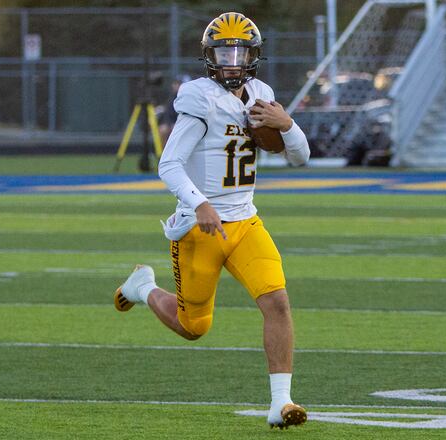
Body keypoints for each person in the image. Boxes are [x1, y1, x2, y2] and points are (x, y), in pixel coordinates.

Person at [113, 12, 310, 429]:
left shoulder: (260, 93)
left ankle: (281, 403)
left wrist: (288, 124)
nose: (232, 60)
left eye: (239, 50)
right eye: (224, 51)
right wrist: (201, 204)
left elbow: (300, 156)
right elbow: (169, 164)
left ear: (253, 55)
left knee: (276, 302)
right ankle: (143, 286)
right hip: (200, 226)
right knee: (193, 327)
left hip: (245, 221)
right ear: (210, 56)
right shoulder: (198, 96)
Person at [157, 74, 191, 145]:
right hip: (173, 124)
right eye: (175, 83)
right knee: (163, 129)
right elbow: (168, 114)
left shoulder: (189, 98)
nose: (175, 85)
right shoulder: (172, 97)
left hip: (186, 125)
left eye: (178, 83)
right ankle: (165, 154)